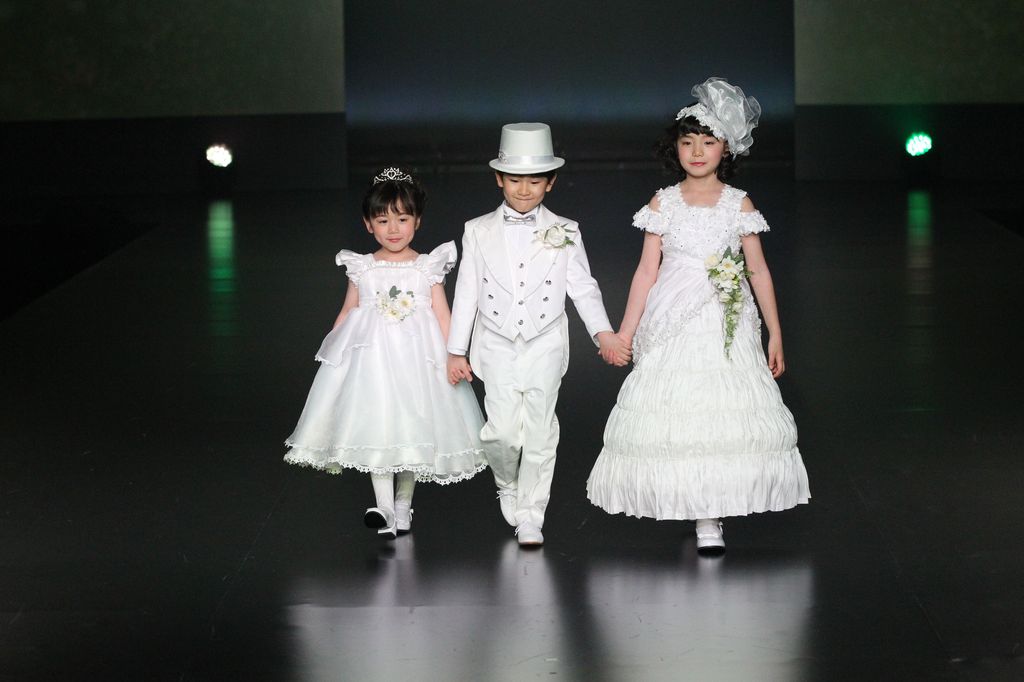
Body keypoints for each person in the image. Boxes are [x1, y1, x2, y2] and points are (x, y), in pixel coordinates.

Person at [586, 78, 810, 554]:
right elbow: (646, 271)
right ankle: (689, 500)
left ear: (726, 148)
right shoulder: (663, 202)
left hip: (725, 318)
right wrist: (625, 332)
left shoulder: (738, 203)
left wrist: (775, 333)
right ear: (676, 148)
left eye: (708, 142)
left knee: (720, 406)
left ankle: (712, 513)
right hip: (673, 316)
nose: (697, 152)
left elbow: (758, 270)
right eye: (688, 142)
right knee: (678, 406)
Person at [447, 123, 629, 547]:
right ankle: (506, 481)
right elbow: (467, 292)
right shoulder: (477, 230)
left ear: (551, 182)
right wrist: (456, 350)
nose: (524, 190)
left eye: (534, 181)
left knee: (541, 431)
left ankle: (532, 514)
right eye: (515, 180)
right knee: (501, 432)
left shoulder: (566, 230)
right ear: (499, 179)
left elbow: (583, 286)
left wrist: (602, 332)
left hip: (545, 340)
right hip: (495, 341)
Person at [285, 167, 487, 538]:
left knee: (412, 428)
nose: (393, 228)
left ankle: (403, 505)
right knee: (376, 425)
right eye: (382, 220)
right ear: (368, 224)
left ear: (417, 221)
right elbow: (348, 311)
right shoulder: (362, 267)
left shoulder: (427, 267)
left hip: (417, 362)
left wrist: (455, 355)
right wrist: (334, 352)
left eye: (403, 219)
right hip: (373, 363)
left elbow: (443, 314)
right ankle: (383, 507)